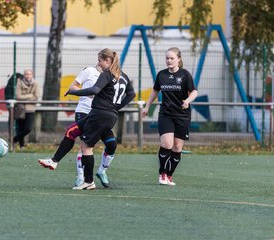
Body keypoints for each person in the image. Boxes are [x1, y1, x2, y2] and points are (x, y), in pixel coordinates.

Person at [38, 48, 136, 190]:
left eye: (100, 61)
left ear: (108, 61)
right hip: (107, 115)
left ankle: (88, 181)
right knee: (71, 131)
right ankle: (54, 161)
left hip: (99, 115)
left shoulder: (107, 74)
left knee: (86, 147)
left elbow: (95, 90)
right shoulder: (123, 75)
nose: (99, 64)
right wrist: (116, 107)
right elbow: (131, 93)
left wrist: (75, 92)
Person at [142, 47, 198, 186]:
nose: (169, 61)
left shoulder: (185, 75)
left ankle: (170, 175)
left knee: (177, 148)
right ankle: (162, 173)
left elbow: (194, 92)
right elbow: (155, 91)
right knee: (167, 144)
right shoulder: (161, 75)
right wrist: (147, 106)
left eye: (172, 58)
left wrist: (187, 101)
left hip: (183, 116)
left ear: (179, 59)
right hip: (166, 114)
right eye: (167, 58)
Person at [69, 64, 117, 188]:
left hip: (100, 114)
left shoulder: (112, 76)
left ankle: (102, 171)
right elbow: (73, 86)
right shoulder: (89, 71)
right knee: (85, 145)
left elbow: (127, 93)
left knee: (111, 144)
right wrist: (85, 92)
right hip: (85, 112)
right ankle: (81, 177)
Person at [13, 69, 40, 149]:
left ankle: (14, 139)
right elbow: (18, 96)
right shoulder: (19, 82)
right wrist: (30, 95)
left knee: (28, 129)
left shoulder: (36, 83)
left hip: (30, 109)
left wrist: (24, 97)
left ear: (32, 75)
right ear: (24, 75)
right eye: (26, 74)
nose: (28, 76)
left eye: (30, 74)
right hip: (21, 108)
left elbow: (36, 96)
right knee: (20, 128)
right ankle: (22, 145)